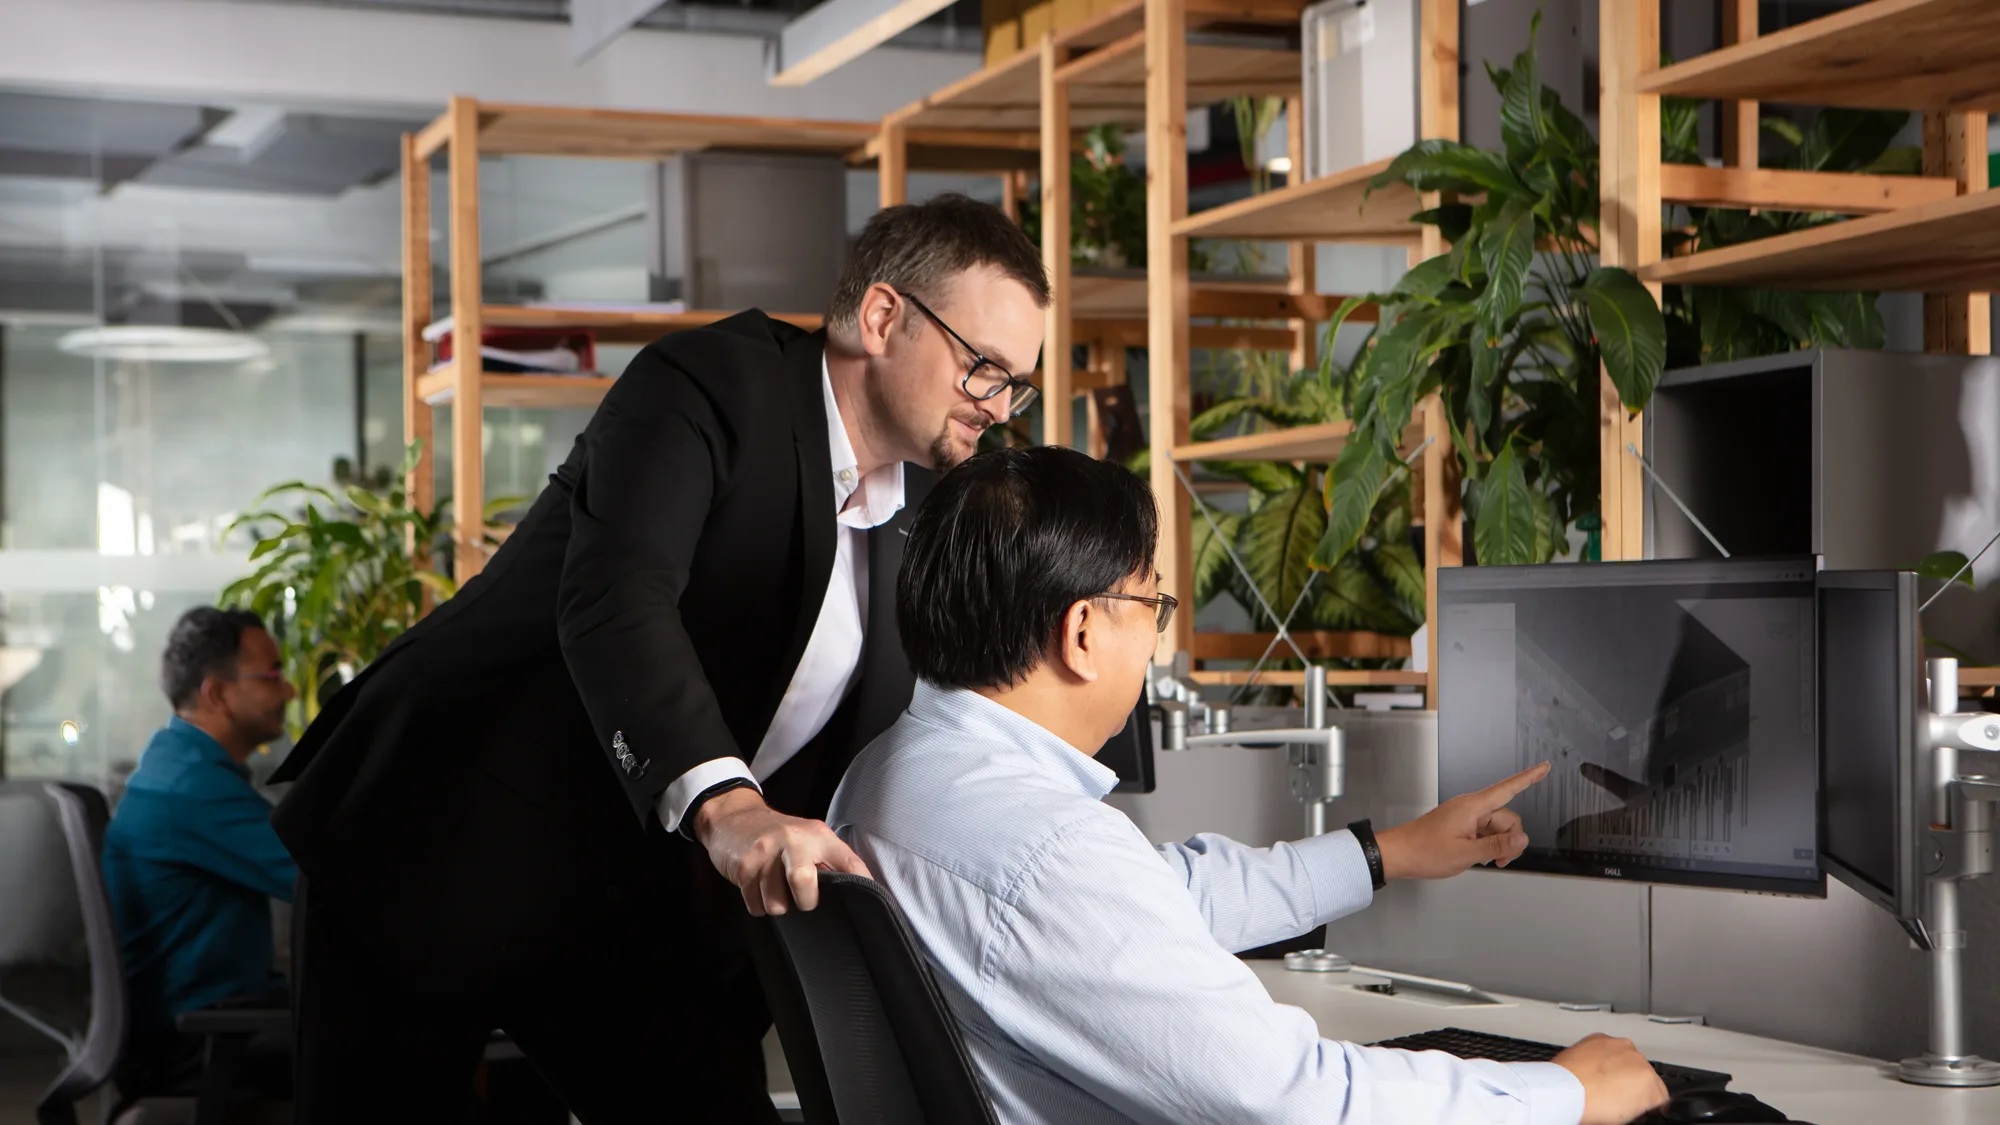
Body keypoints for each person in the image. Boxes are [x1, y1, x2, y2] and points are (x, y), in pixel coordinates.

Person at [267, 194, 1050, 1122]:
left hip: (623, 891)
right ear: (882, 317)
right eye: (983, 367)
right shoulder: (712, 383)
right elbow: (616, 601)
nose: (998, 406)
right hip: (439, 826)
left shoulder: (923, 505)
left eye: (1016, 384)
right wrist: (733, 810)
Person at [828, 446, 1673, 1125]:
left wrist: (1391, 852)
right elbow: (1295, 1099)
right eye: (1152, 604)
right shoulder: (1047, 847)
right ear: (1082, 632)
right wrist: (1563, 1093)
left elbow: (1157, 894)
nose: (1155, 639)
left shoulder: (897, 774)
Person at [103, 606, 296, 1100]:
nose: (290, 691)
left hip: (205, 1027)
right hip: (198, 1046)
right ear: (217, 694)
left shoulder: (175, 767)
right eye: (273, 676)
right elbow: (323, 876)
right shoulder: (193, 787)